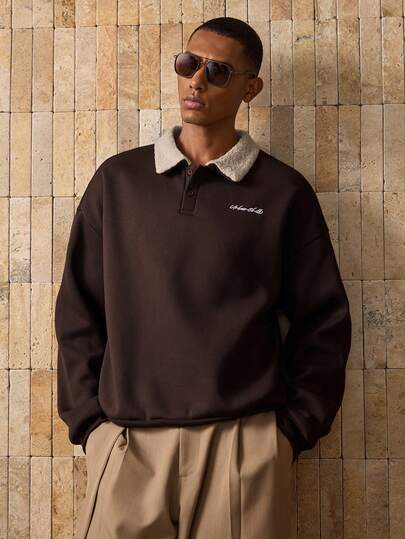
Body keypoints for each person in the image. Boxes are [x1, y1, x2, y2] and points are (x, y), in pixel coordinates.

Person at [55, 16, 352, 539]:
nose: (196, 80)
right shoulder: (118, 182)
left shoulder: (283, 193)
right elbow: (79, 310)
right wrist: (91, 426)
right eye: (189, 64)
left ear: (250, 89)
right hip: (127, 446)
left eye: (217, 71)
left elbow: (323, 322)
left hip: (242, 448)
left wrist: (287, 435)